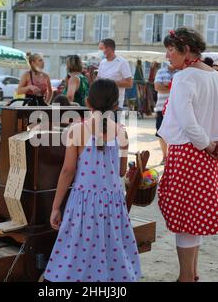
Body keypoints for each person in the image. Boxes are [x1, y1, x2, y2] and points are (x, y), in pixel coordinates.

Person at [158, 27, 218, 282]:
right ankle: (192, 275)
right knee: (195, 218)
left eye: (170, 50)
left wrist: (208, 145)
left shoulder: (186, 77)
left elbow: (188, 122)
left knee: (185, 219)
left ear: (185, 49)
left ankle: (185, 278)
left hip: (190, 153)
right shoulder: (213, 75)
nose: (167, 56)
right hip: (210, 154)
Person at [45, 79, 141, 282]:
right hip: (113, 202)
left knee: (79, 249)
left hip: (83, 202)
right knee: (110, 247)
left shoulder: (76, 130)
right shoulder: (121, 132)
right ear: (115, 105)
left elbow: (67, 171)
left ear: (87, 102)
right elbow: (121, 171)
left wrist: (56, 207)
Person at [97, 39, 133, 110]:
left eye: (101, 49)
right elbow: (99, 80)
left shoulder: (122, 62)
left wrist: (109, 83)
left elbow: (129, 83)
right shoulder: (102, 62)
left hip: (115, 104)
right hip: (101, 103)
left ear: (109, 49)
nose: (99, 51)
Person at [154, 63, 177, 165]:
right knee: (161, 133)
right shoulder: (160, 71)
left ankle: (172, 157)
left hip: (176, 109)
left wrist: (166, 85)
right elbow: (157, 87)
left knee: (175, 133)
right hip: (161, 107)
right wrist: (173, 87)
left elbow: (161, 86)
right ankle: (165, 156)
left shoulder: (181, 72)